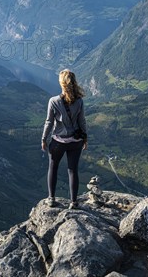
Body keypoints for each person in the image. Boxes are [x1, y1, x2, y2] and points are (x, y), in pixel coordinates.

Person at [41, 69, 88, 209]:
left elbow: (49, 122)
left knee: (53, 168)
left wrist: (44, 138)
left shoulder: (53, 101)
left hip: (58, 142)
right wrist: (85, 138)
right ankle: (73, 202)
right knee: (73, 170)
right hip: (75, 142)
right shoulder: (79, 101)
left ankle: (51, 199)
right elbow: (82, 121)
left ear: (62, 84)